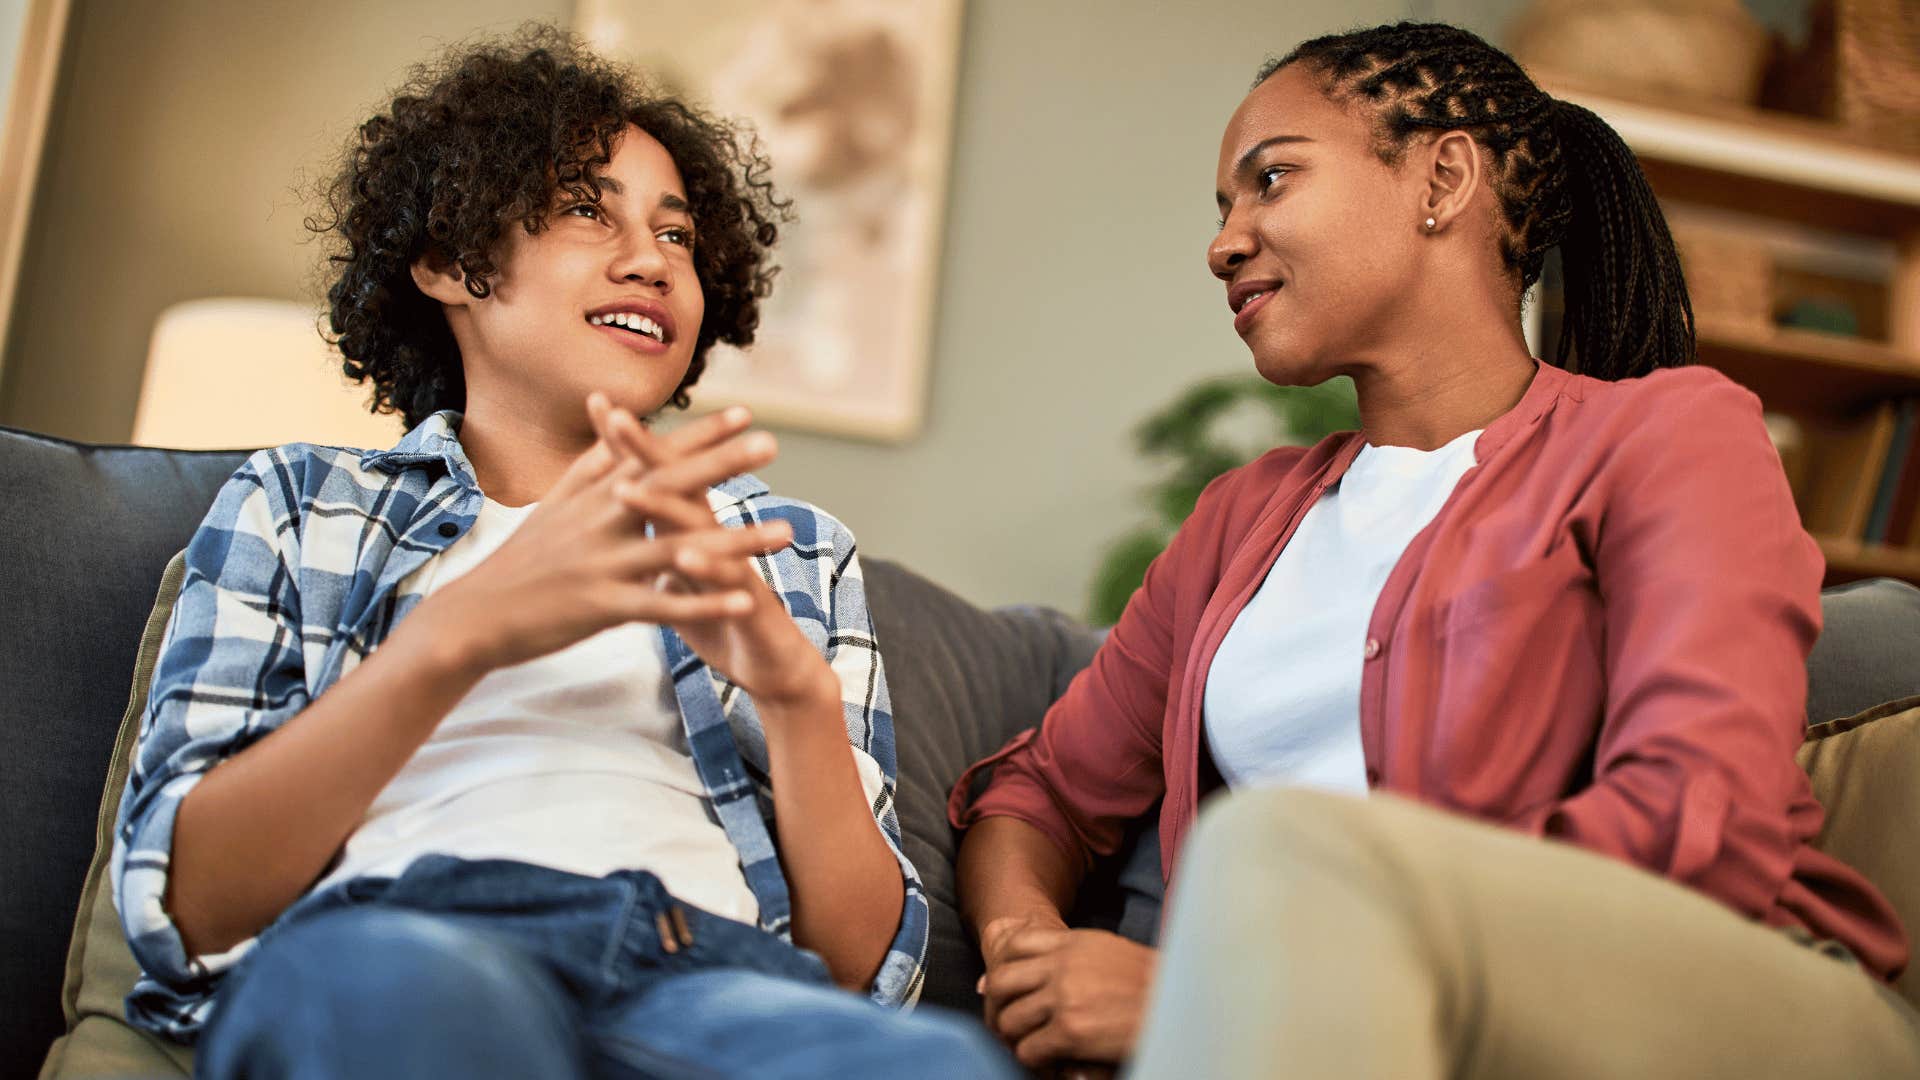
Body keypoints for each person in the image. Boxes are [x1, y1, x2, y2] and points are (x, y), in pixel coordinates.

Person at [951, 21, 1920, 1077]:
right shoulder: (1240, 521)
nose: (1224, 242)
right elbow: (1037, 793)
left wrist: (1225, 981)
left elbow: (1695, 831)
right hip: (1346, 1041)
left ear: (1443, 178)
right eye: (1223, 209)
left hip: (1712, 1011)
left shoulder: (1666, 439)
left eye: (1270, 180)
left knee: (1276, 850)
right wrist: (1031, 960)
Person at [110, 28, 1011, 1079]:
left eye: (677, 237)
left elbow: (866, 973)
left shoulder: (792, 552)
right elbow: (181, 904)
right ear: (449, 262)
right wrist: (458, 634)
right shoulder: (304, 503)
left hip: (704, 979)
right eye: (590, 208)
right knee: (416, 1005)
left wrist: (794, 694)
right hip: (407, 945)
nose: (650, 258)